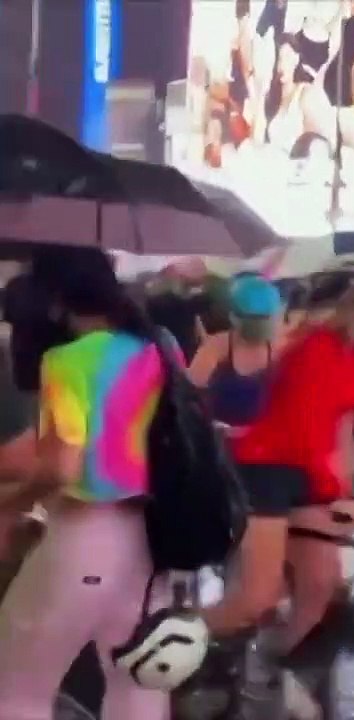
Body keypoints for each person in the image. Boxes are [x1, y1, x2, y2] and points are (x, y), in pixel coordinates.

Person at [202, 256, 354, 659]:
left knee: (320, 586)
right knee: (254, 600)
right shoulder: (312, 349)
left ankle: (265, 666)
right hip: (264, 470)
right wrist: (336, 495)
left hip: (307, 476)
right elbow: (304, 433)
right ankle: (160, 639)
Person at [0, 250, 172, 719]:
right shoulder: (158, 351)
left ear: (57, 301)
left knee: (18, 689)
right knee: (139, 683)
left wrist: (10, 505)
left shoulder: (67, 362)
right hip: (151, 540)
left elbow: (62, 468)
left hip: (86, 533)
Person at [188, 273, 284, 430]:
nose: (257, 329)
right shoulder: (218, 346)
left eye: (263, 322)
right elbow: (189, 395)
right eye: (254, 323)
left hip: (259, 443)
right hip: (223, 439)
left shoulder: (279, 348)